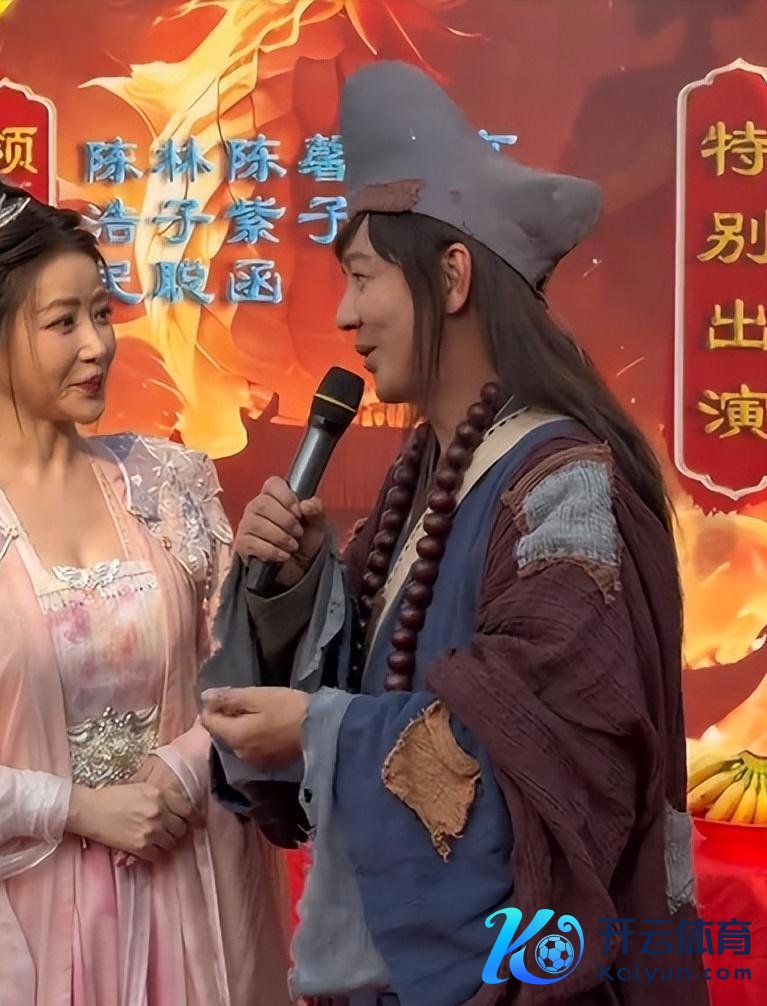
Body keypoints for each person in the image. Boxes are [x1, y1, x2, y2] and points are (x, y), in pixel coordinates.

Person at [200, 61, 708, 1006]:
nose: (344, 315)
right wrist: (297, 591)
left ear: (453, 276)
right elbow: (379, 678)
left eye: (362, 278)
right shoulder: (426, 480)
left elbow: (558, 748)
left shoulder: (561, 486)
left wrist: (316, 732)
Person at [0, 158, 292, 1006]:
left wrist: (180, 772)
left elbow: (246, 672)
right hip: (27, 926)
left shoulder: (169, 486)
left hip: (185, 887)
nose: (97, 345)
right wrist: (74, 807)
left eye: (102, 313)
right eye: (62, 322)